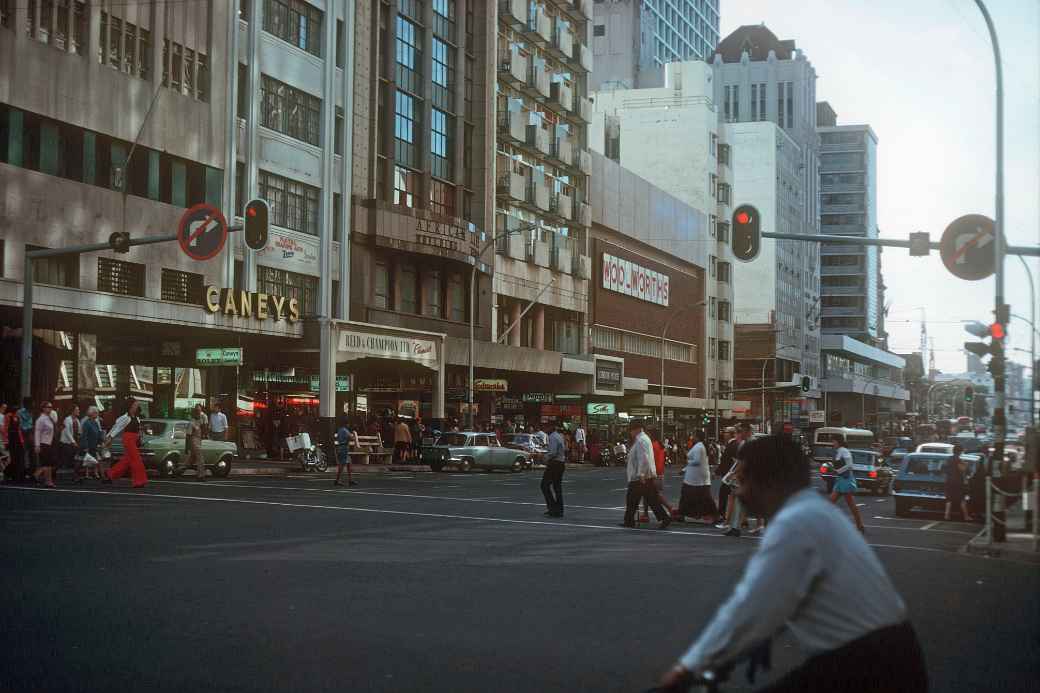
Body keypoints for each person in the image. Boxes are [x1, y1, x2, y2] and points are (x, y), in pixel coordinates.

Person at [656, 435, 927, 693]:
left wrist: (688, 666)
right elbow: (787, 599)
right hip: (881, 653)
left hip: (871, 664)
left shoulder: (796, 523)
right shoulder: (812, 511)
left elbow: (752, 605)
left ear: (769, 483)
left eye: (744, 480)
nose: (739, 491)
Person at [620, 421, 671, 529]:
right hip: (643, 476)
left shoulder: (641, 440)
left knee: (632, 499)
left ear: (637, 429)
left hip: (640, 477)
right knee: (651, 500)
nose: (630, 433)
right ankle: (664, 518)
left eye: (631, 430)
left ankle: (629, 521)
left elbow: (643, 458)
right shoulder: (643, 439)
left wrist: (641, 474)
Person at [677, 430, 719, 523]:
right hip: (695, 476)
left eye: (693, 435)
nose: (692, 437)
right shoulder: (699, 446)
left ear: (697, 437)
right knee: (697, 496)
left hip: (695, 477)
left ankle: (682, 514)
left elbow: (696, 461)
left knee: (690, 495)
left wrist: (687, 463)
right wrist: (684, 469)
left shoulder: (699, 447)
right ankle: (682, 514)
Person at [720, 423, 753, 536]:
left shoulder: (749, 444)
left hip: (746, 476)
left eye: (743, 431)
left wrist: (734, 473)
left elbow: (744, 462)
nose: (741, 433)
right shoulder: (743, 443)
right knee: (738, 500)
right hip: (743, 476)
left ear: (748, 432)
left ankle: (736, 526)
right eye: (740, 431)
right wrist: (733, 473)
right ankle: (735, 526)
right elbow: (740, 461)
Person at [827, 435, 865, 533]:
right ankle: (859, 525)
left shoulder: (844, 451)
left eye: (834, 441)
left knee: (850, 504)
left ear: (838, 442)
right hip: (840, 480)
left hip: (846, 479)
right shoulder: (839, 451)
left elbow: (849, 465)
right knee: (830, 503)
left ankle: (860, 525)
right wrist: (834, 468)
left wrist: (837, 471)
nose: (832, 444)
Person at [106, 399, 147, 488]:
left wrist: (140, 437)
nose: (137, 406)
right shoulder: (125, 417)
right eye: (135, 405)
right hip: (128, 440)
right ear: (131, 406)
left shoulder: (137, 418)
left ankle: (110, 474)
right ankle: (139, 481)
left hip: (134, 439)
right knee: (136, 459)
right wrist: (110, 437)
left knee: (127, 460)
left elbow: (139, 430)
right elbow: (116, 428)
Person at [541, 422, 566, 517]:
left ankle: (553, 508)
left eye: (546, 427)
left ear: (551, 427)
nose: (545, 429)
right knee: (557, 487)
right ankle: (558, 509)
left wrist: (545, 458)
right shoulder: (558, 436)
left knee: (544, 485)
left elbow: (552, 452)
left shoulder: (552, 437)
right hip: (560, 463)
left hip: (555, 464)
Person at [943, 444, 971, 521]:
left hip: (948, 481)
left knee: (949, 499)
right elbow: (964, 470)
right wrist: (966, 465)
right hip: (958, 482)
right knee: (962, 499)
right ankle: (966, 516)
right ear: (959, 452)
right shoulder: (959, 460)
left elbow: (943, 469)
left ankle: (946, 515)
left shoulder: (948, 459)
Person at [33, 402, 57, 487]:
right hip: (43, 443)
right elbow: (37, 432)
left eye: (51, 407)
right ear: (43, 408)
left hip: (49, 443)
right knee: (47, 463)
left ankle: (43, 478)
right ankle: (48, 481)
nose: (50, 409)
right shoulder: (41, 419)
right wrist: (37, 445)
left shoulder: (49, 418)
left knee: (49, 463)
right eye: (48, 407)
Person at [79, 406, 104, 482]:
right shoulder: (87, 423)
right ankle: (88, 474)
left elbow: (98, 433)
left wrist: (101, 441)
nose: (97, 414)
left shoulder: (95, 422)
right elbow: (84, 435)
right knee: (90, 458)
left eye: (97, 413)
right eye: (96, 413)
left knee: (95, 458)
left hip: (95, 444)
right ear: (91, 413)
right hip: (89, 443)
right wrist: (85, 446)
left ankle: (95, 473)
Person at [334, 417, 359, 487]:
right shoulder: (345, 430)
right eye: (348, 424)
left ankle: (350, 480)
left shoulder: (339, 430)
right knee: (342, 465)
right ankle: (337, 480)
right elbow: (351, 438)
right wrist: (354, 434)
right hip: (344, 448)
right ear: (346, 424)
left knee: (349, 464)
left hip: (340, 447)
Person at [185, 403, 207, 481]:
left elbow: (204, 428)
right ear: (194, 413)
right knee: (200, 458)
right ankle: (201, 475)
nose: (199, 413)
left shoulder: (200, 420)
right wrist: (186, 448)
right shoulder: (191, 423)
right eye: (197, 411)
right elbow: (188, 436)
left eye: (200, 411)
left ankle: (178, 470)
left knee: (191, 460)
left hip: (199, 440)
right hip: (193, 441)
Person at [60, 404, 81, 481]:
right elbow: (67, 432)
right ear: (72, 411)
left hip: (74, 443)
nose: (78, 411)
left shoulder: (77, 420)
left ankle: (75, 476)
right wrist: (73, 442)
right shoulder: (67, 419)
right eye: (77, 410)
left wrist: (78, 439)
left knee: (76, 460)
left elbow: (79, 432)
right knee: (67, 461)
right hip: (67, 443)